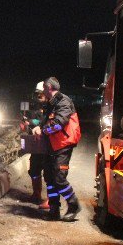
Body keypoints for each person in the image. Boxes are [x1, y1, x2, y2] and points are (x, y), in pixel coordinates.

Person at [33, 77, 82, 221]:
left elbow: (59, 123)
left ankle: (73, 205)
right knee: (49, 177)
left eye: (43, 89)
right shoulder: (51, 103)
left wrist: (43, 130)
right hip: (52, 145)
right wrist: (38, 127)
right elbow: (46, 120)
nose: (42, 92)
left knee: (59, 178)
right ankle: (54, 209)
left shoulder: (64, 101)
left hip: (63, 145)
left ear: (48, 87)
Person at [20, 81, 49, 210]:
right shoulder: (36, 109)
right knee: (34, 170)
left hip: (49, 147)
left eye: (41, 93)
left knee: (50, 174)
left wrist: (34, 122)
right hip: (37, 146)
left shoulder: (52, 107)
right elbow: (32, 123)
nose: (39, 96)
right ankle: (36, 194)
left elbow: (46, 122)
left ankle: (50, 200)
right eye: (37, 94)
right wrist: (26, 124)